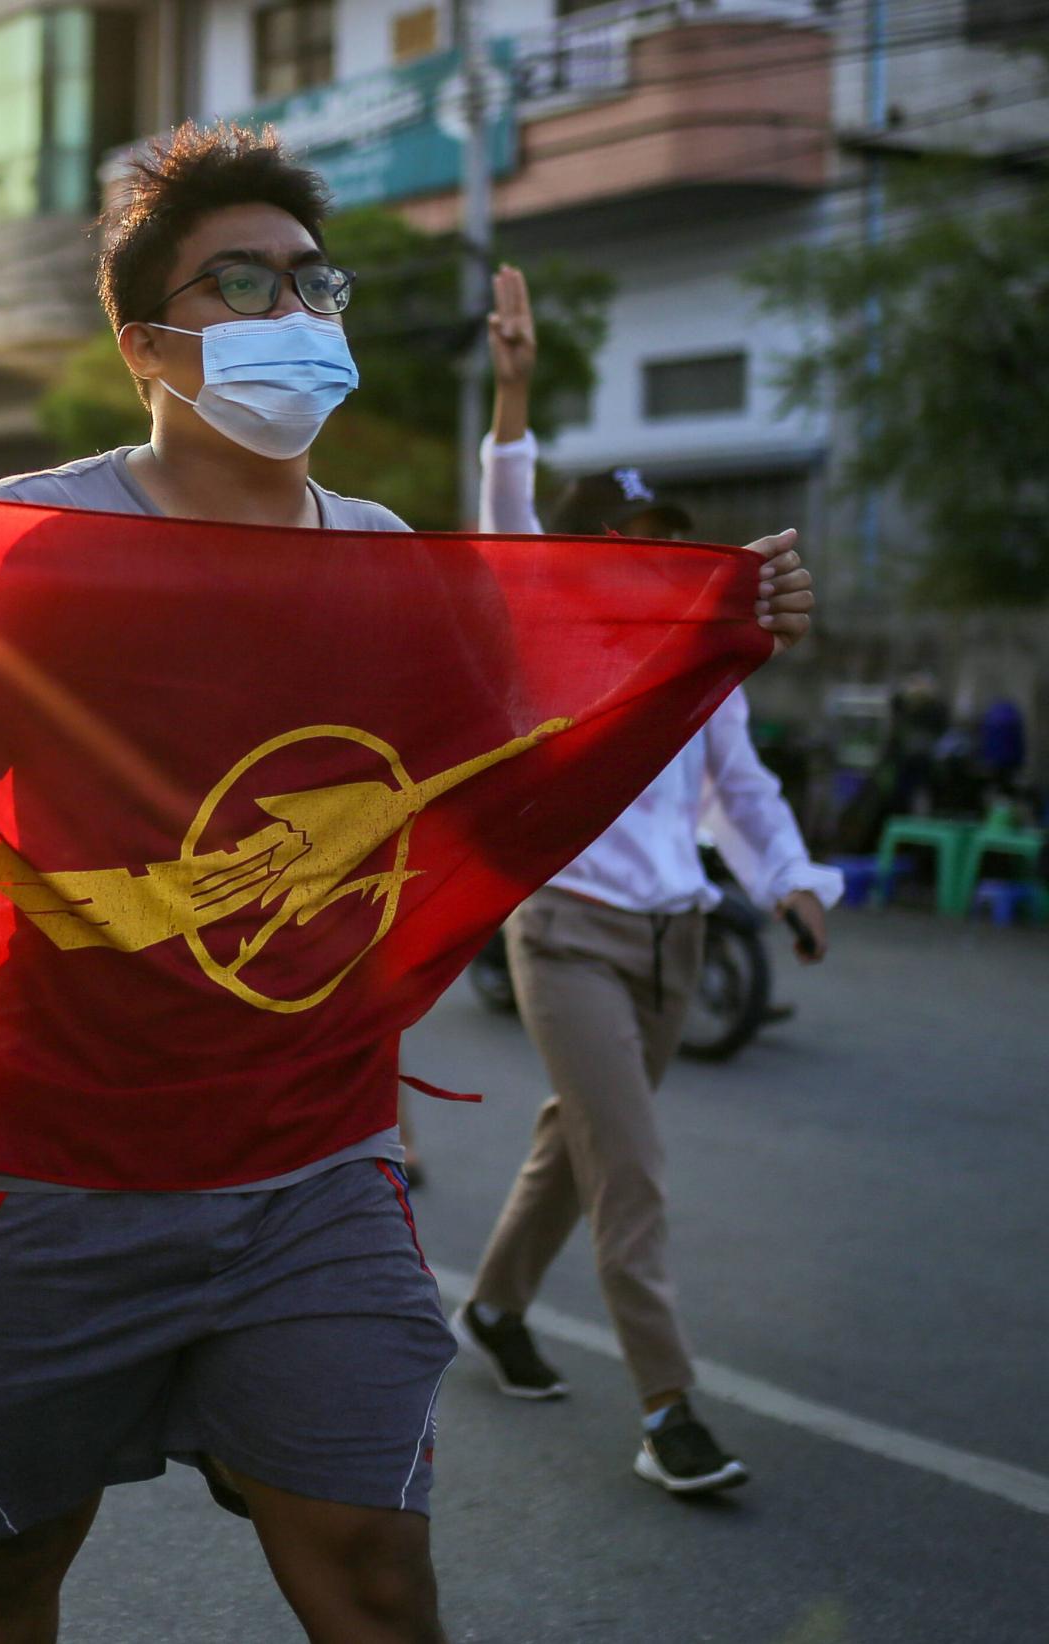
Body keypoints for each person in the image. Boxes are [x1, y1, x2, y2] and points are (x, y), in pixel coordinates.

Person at [0, 124, 815, 1644]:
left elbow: (513, 772)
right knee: (9, 1556)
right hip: (64, 1172)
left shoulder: (389, 563)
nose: (295, 312)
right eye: (239, 281)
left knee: (377, 1577)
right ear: (147, 344)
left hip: (317, 1171)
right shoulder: (48, 544)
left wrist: (712, 630)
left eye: (311, 281)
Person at [454, 264, 839, 1496]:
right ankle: (668, 1407)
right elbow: (506, 518)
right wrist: (513, 394)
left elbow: (740, 786)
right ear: (576, 557)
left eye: (664, 545)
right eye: (622, 544)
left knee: (578, 1141)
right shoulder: (543, 633)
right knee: (630, 1166)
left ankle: (496, 1307)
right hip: (565, 936)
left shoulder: (697, 666)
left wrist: (788, 880)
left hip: (673, 943)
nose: (646, 561)